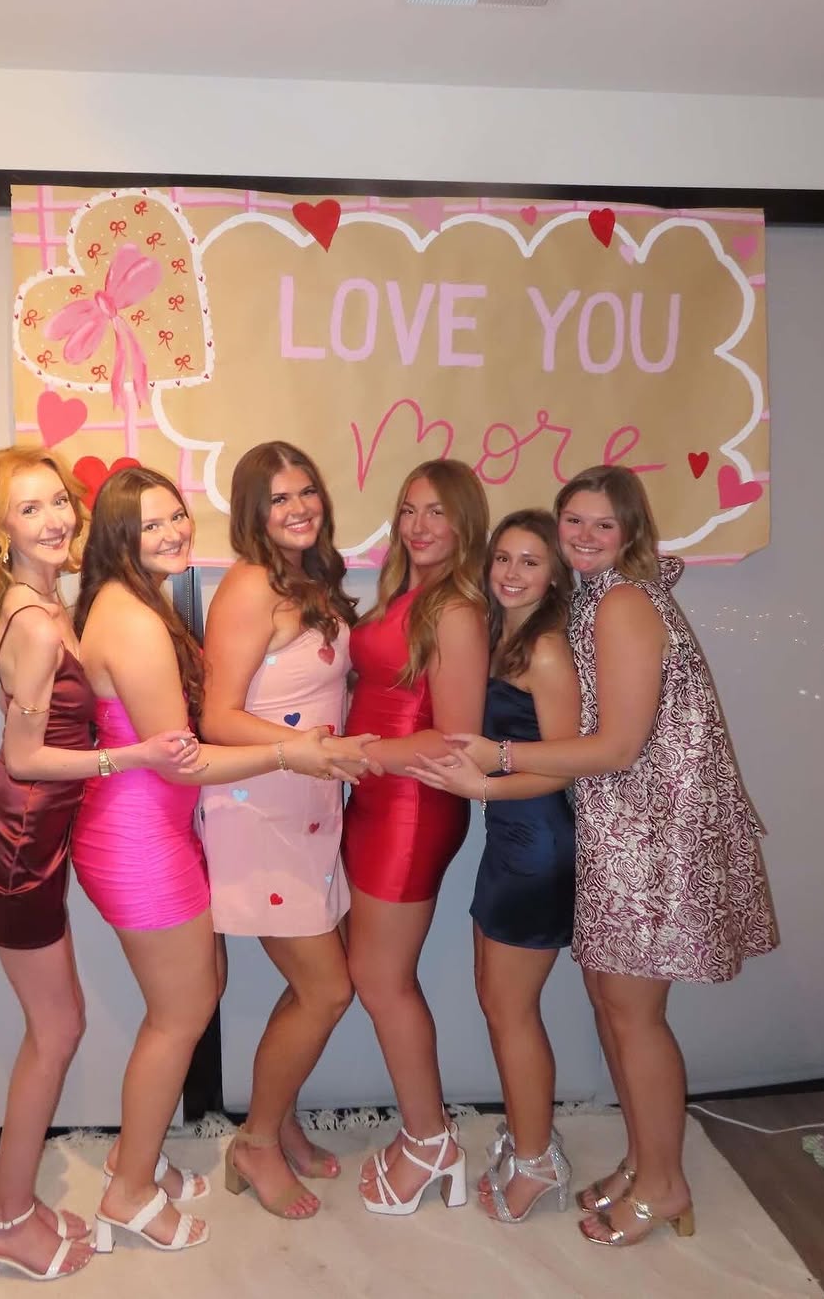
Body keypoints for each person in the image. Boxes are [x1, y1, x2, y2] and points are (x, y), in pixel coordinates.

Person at [430, 465, 778, 1247]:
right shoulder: (593, 598)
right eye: (574, 521)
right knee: (613, 1007)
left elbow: (619, 748)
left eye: (603, 525)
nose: (584, 536)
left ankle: (664, 1184)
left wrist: (498, 760)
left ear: (630, 532)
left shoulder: (621, 603)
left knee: (634, 1016)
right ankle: (643, 1161)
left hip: (649, 838)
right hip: (616, 830)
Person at [70, 465, 372, 1252]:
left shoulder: (136, 604)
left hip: (156, 830)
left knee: (192, 1003)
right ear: (117, 537)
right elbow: (186, 759)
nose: (173, 532)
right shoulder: (135, 621)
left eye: (175, 515)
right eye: (150, 524)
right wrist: (292, 753)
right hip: (140, 838)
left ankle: (137, 1159)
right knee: (179, 1016)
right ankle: (129, 1193)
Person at [0, 446, 198, 1286]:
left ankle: (13, 1206)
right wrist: (134, 756)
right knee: (56, 1031)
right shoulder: (39, 622)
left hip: (33, 834)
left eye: (58, 502)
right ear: (0, 531)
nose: (53, 520)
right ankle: (8, 1220)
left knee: (59, 1025)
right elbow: (23, 757)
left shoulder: (50, 600)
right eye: (29, 510)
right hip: (14, 841)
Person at [199, 441, 379, 1221]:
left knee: (312, 986)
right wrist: (298, 748)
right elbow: (217, 716)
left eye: (306, 491)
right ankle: (255, 1143)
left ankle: (281, 1123)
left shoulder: (306, 580)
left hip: (308, 809)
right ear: (253, 511)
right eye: (279, 498)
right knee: (327, 988)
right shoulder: (248, 585)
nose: (299, 507)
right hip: (261, 810)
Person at [409, 509, 580, 1223]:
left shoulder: (546, 650)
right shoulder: (501, 635)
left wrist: (482, 786)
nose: (511, 573)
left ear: (555, 575)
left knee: (512, 1010)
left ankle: (537, 1162)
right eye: (503, 558)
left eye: (530, 562)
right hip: (508, 841)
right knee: (496, 998)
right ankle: (527, 1133)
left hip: (538, 846)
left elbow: (564, 766)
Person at [343, 459, 490, 1216]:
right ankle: (427, 1135)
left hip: (412, 805)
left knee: (381, 979)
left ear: (465, 523)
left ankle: (432, 1143)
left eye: (436, 512)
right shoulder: (408, 594)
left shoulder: (456, 610)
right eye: (408, 510)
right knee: (376, 974)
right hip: (375, 796)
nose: (419, 526)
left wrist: (358, 753)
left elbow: (456, 742)